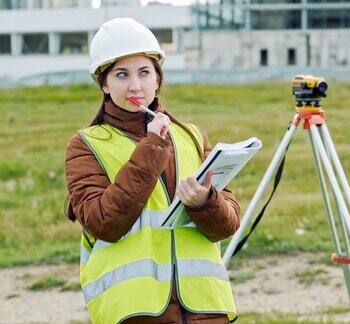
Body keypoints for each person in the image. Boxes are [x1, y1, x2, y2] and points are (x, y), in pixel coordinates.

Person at [64, 18, 239, 324]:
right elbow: (103, 222)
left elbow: (226, 226)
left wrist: (206, 203)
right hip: (137, 311)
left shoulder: (192, 136)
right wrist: (152, 147)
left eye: (144, 72)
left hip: (206, 309)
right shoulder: (86, 144)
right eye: (121, 74)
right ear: (104, 84)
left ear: (158, 78)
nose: (135, 85)